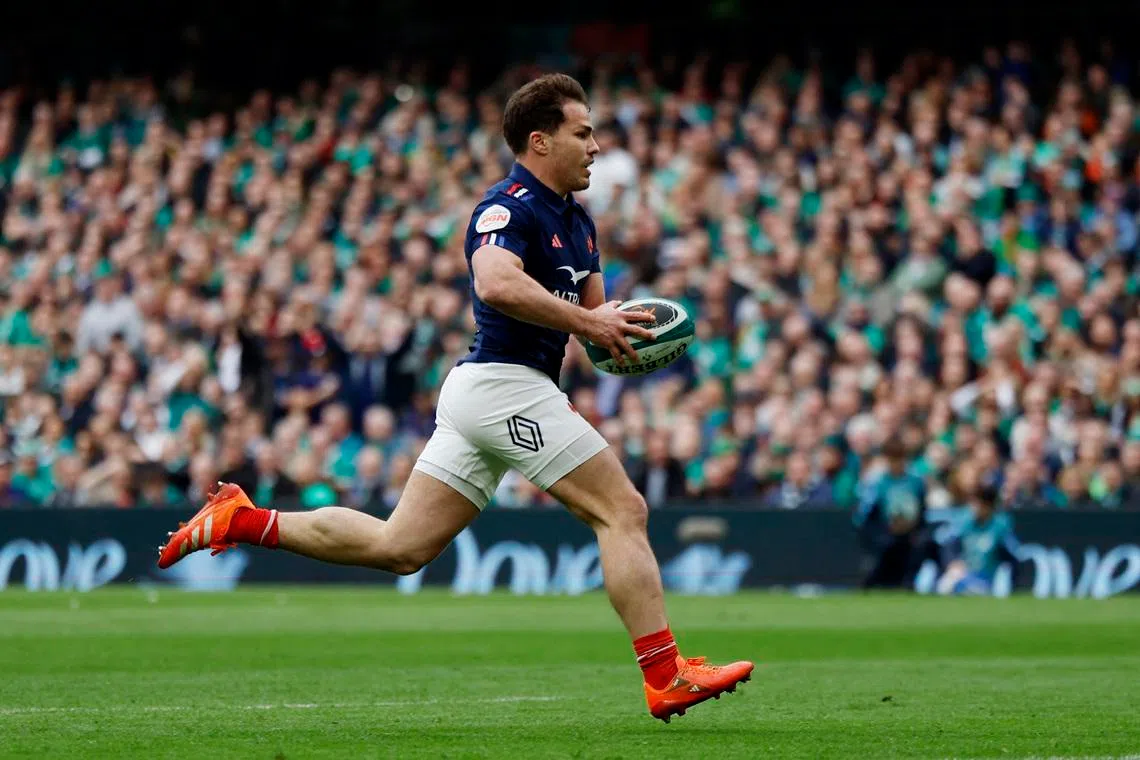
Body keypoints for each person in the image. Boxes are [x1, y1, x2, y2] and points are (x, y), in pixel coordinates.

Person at [157, 73, 753, 722]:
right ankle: (665, 674)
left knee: (400, 548)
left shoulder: (579, 225)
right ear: (539, 140)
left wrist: (619, 333)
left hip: (498, 391)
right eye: (583, 133)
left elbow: (596, 328)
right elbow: (495, 284)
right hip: (503, 384)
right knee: (623, 511)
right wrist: (591, 324)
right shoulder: (508, 207)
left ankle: (241, 520)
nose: (596, 147)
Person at [936, 482, 1021, 595]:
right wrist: (953, 561)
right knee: (946, 584)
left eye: (978, 504)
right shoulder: (963, 520)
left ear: (989, 506)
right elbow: (948, 544)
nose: (974, 508)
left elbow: (1013, 555)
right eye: (972, 503)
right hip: (962, 572)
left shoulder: (1000, 525)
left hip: (986, 577)